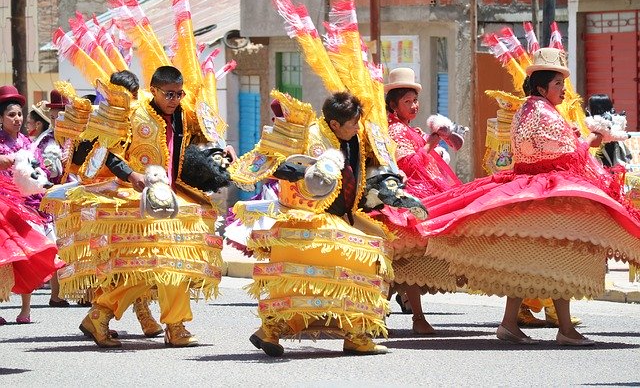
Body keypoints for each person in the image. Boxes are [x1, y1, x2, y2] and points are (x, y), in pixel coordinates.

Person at [417, 47, 640, 346]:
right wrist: (592, 140)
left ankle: (512, 324)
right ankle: (562, 329)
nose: (562, 90)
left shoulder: (532, 108)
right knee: (561, 255)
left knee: (529, 262)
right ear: (540, 86)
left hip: (532, 189)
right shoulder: (540, 111)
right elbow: (565, 152)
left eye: (562, 84)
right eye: (558, 84)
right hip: (549, 193)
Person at [45, 66, 226, 348]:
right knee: (156, 264)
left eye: (179, 94)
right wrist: (132, 175)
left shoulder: (182, 115)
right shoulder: (132, 113)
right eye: (169, 94)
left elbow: (195, 143)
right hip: (135, 201)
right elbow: (107, 152)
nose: (175, 99)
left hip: (170, 198)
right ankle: (127, 318)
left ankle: (143, 321)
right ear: (153, 90)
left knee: (168, 264)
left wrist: (220, 155)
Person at [230, 91, 392, 356]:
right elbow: (266, 163)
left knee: (376, 252)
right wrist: (290, 170)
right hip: (306, 219)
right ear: (335, 125)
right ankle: (352, 335)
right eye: (353, 124)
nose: (357, 128)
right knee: (358, 261)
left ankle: (277, 331)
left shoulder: (352, 138)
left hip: (341, 218)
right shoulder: (307, 134)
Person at [373, 68, 462, 334]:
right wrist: (429, 145)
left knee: (404, 264)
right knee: (403, 261)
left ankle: (398, 317)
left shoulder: (408, 129)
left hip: (415, 198)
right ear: (393, 104)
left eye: (415, 101)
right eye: (407, 102)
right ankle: (411, 318)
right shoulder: (397, 131)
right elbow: (407, 165)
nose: (414, 106)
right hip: (403, 202)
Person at [0, 85, 63, 322]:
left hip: (28, 206)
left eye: (19, 115)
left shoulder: (29, 143)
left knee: (28, 255)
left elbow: (40, 172)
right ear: (1, 118)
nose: (17, 119)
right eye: (11, 115)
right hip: (3, 207)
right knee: (4, 258)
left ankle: (25, 309)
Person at [26, 93, 70, 308]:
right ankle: (57, 293)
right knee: (58, 245)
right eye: (53, 117)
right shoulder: (47, 142)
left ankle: (82, 291)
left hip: (71, 198)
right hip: (53, 200)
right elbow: (44, 172)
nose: (56, 121)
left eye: (60, 116)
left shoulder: (74, 138)